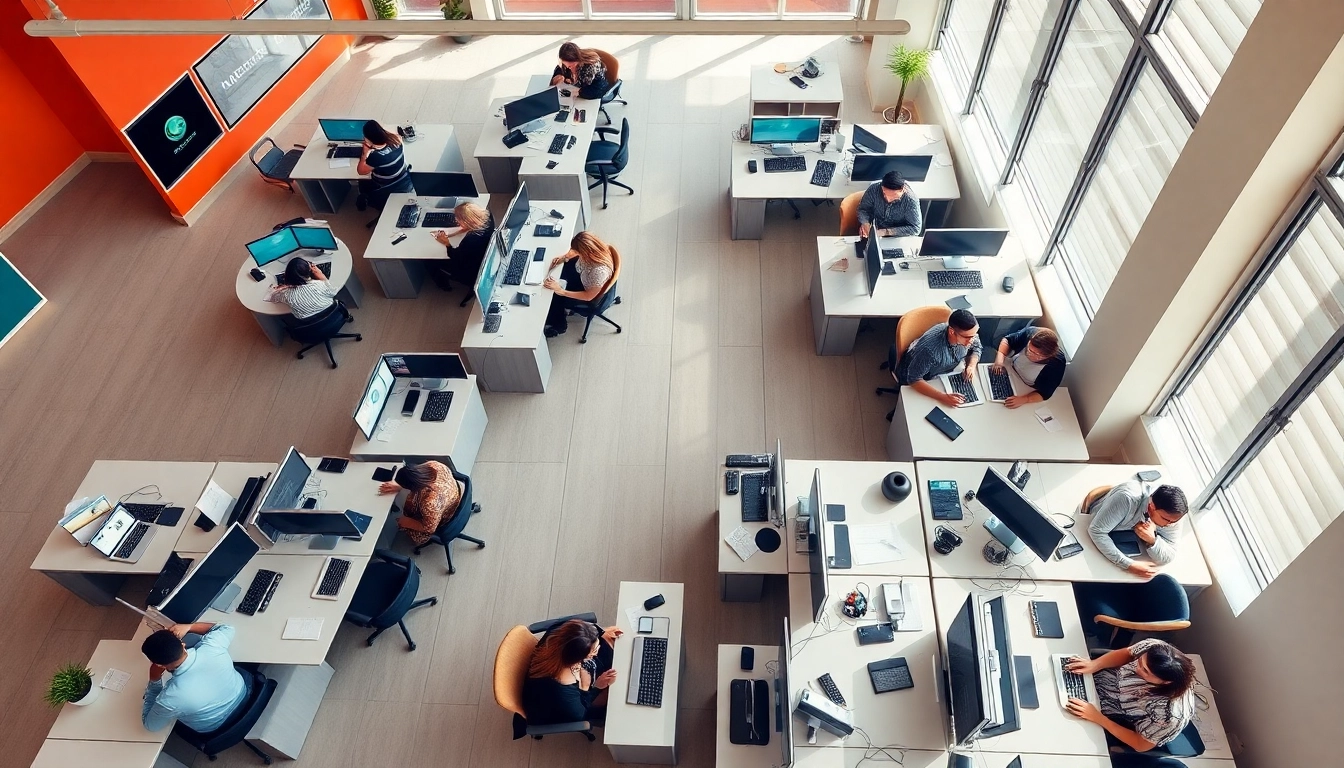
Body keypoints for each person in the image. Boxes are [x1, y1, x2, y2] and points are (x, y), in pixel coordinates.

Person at [1063, 639, 1199, 752]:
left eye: (1145, 671)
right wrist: (1095, 664)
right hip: (1098, 679)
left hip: (1106, 714)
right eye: (1140, 661)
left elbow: (1140, 744)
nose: (1136, 668)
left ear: (1166, 682)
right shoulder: (1156, 647)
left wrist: (1098, 718)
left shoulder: (1169, 716)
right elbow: (1128, 653)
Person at [141, 622, 248, 733]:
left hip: (217, 724)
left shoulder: (170, 697)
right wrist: (189, 627)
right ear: (183, 644)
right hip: (243, 692)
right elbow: (227, 628)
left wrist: (154, 682)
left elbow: (151, 725)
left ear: (159, 665)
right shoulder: (212, 645)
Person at [522, 618, 624, 726]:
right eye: (594, 650)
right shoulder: (563, 691)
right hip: (576, 705)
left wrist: (603, 633)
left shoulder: (556, 634)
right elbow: (581, 715)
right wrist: (595, 687)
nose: (597, 650)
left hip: (583, 680)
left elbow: (580, 631)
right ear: (579, 657)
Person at [1086, 481, 1188, 579]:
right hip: (1096, 520)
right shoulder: (1127, 498)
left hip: (1126, 537)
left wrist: (1152, 541)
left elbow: (1169, 555)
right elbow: (1097, 531)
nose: (1169, 525)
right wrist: (1128, 564)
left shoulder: (1173, 515)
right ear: (1151, 506)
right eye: (1165, 519)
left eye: (1174, 522)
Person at [896, 308, 982, 408]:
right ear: (951, 332)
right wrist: (943, 397)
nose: (972, 340)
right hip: (920, 376)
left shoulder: (969, 335)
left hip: (944, 371)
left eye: (974, 335)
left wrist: (971, 366)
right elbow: (913, 379)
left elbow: (976, 347)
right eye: (968, 337)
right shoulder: (930, 350)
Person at [543, 231, 617, 337]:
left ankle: (559, 325)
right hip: (584, 274)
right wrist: (564, 258)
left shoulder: (599, 272)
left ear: (586, 253)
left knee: (554, 296)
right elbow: (576, 253)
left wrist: (561, 291)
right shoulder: (597, 247)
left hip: (587, 291)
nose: (574, 251)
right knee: (563, 268)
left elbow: (588, 296)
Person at [378, 461, 463, 547]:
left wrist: (407, 522)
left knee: (406, 523)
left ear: (414, 488)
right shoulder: (435, 465)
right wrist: (400, 486)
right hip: (454, 494)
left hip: (446, 513)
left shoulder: (429, 502)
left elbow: (429, 528)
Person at [990, 326, 1066, 408]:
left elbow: (1045, 394)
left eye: (1036, 354)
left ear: (1047, 356)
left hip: (1025, 388)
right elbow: (1007, 340)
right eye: (1029, 349)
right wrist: (999, 360)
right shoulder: (1031, 333)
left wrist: (1024, 399)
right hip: (1009, 369)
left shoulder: (1057, 364)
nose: (1029, 354)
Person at [430, 202, 495, 290]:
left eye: (458, 219)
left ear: (467, 221)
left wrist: (446, 243)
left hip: (470, 272)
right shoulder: (488, 219)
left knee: (430, 260)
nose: (456, 220)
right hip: (485, 260)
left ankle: (443, 285)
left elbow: (455, 257)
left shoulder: (471, 240)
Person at [356, 120, 412, 212]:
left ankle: (364, 199)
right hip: (402, 178)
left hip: (384, 184)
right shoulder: (396, 139)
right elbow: (388, 135)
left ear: (368, 139)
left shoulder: (375, 157)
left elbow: (361, 171)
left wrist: (364, 154)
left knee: (362, 182)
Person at [264, 257, 339, 320]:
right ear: (310, 271)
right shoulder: (320, 284)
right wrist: (321, 276)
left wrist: (282, 288)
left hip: (313, 327)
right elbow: (333, 292)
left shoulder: (287, 295)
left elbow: (271, 297)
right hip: (334, 317)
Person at [857, 171, 922, 239]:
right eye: (885, 194)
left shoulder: (911, 200)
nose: (888, 199)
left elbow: (915, 229)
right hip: (875, 231)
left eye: (894, 196)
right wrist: (865, 223)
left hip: (898, 237)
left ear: (903, 189)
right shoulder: (874, 189)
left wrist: (886, 232)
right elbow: (863, 209)